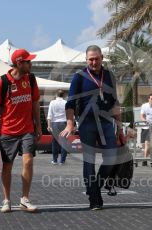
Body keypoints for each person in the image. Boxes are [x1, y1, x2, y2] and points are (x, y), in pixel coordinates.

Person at [60, 45, 122, 211]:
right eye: (90, 59)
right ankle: (94, 199)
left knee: (112, 158)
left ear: (102, 57)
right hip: (87, 123)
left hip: (107, 122)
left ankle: (93, 189)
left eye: (96, 58)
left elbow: (115, 103)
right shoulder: (79, 77)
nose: (93, 62)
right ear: (86, 60)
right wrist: (70, 123)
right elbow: (70, 103)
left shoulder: (109, 76)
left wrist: (121, 128)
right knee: (89, 162)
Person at [0, 49, 42, 213]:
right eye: (28, 61)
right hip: (8, 131)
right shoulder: (2, 82)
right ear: (19, 63)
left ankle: (25, 200)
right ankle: (6, 200)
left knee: (28, 161)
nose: (31, 64)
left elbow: (35, 103)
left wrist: (38, 126)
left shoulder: (31, 79)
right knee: (8, 166)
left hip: (27, 130)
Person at [47, 89, 68, 165]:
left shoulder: (52, 102)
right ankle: (62, 161)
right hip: (64, 123)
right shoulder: (66, 102)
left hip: (54, 123)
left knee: (55, 142)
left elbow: (49, 115)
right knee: (64, 142)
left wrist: (49, 125)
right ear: (63, 95)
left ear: (56, 95)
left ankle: (54, 160)